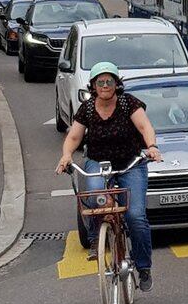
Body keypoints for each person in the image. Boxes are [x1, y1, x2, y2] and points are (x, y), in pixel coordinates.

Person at [55, 62, 162, 291]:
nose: (105, 85)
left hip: (130, 164)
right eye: (100, 82)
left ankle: (143, 268)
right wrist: (66, 155)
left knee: (135, 216)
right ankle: (96, 238)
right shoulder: (87, 108)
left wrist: (152, 146)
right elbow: (74, 138)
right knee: (95, 195)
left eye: (109, 81)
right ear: (93, 86)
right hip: (99, 162)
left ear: (116, 84)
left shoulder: (128, 103)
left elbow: (145, 127)